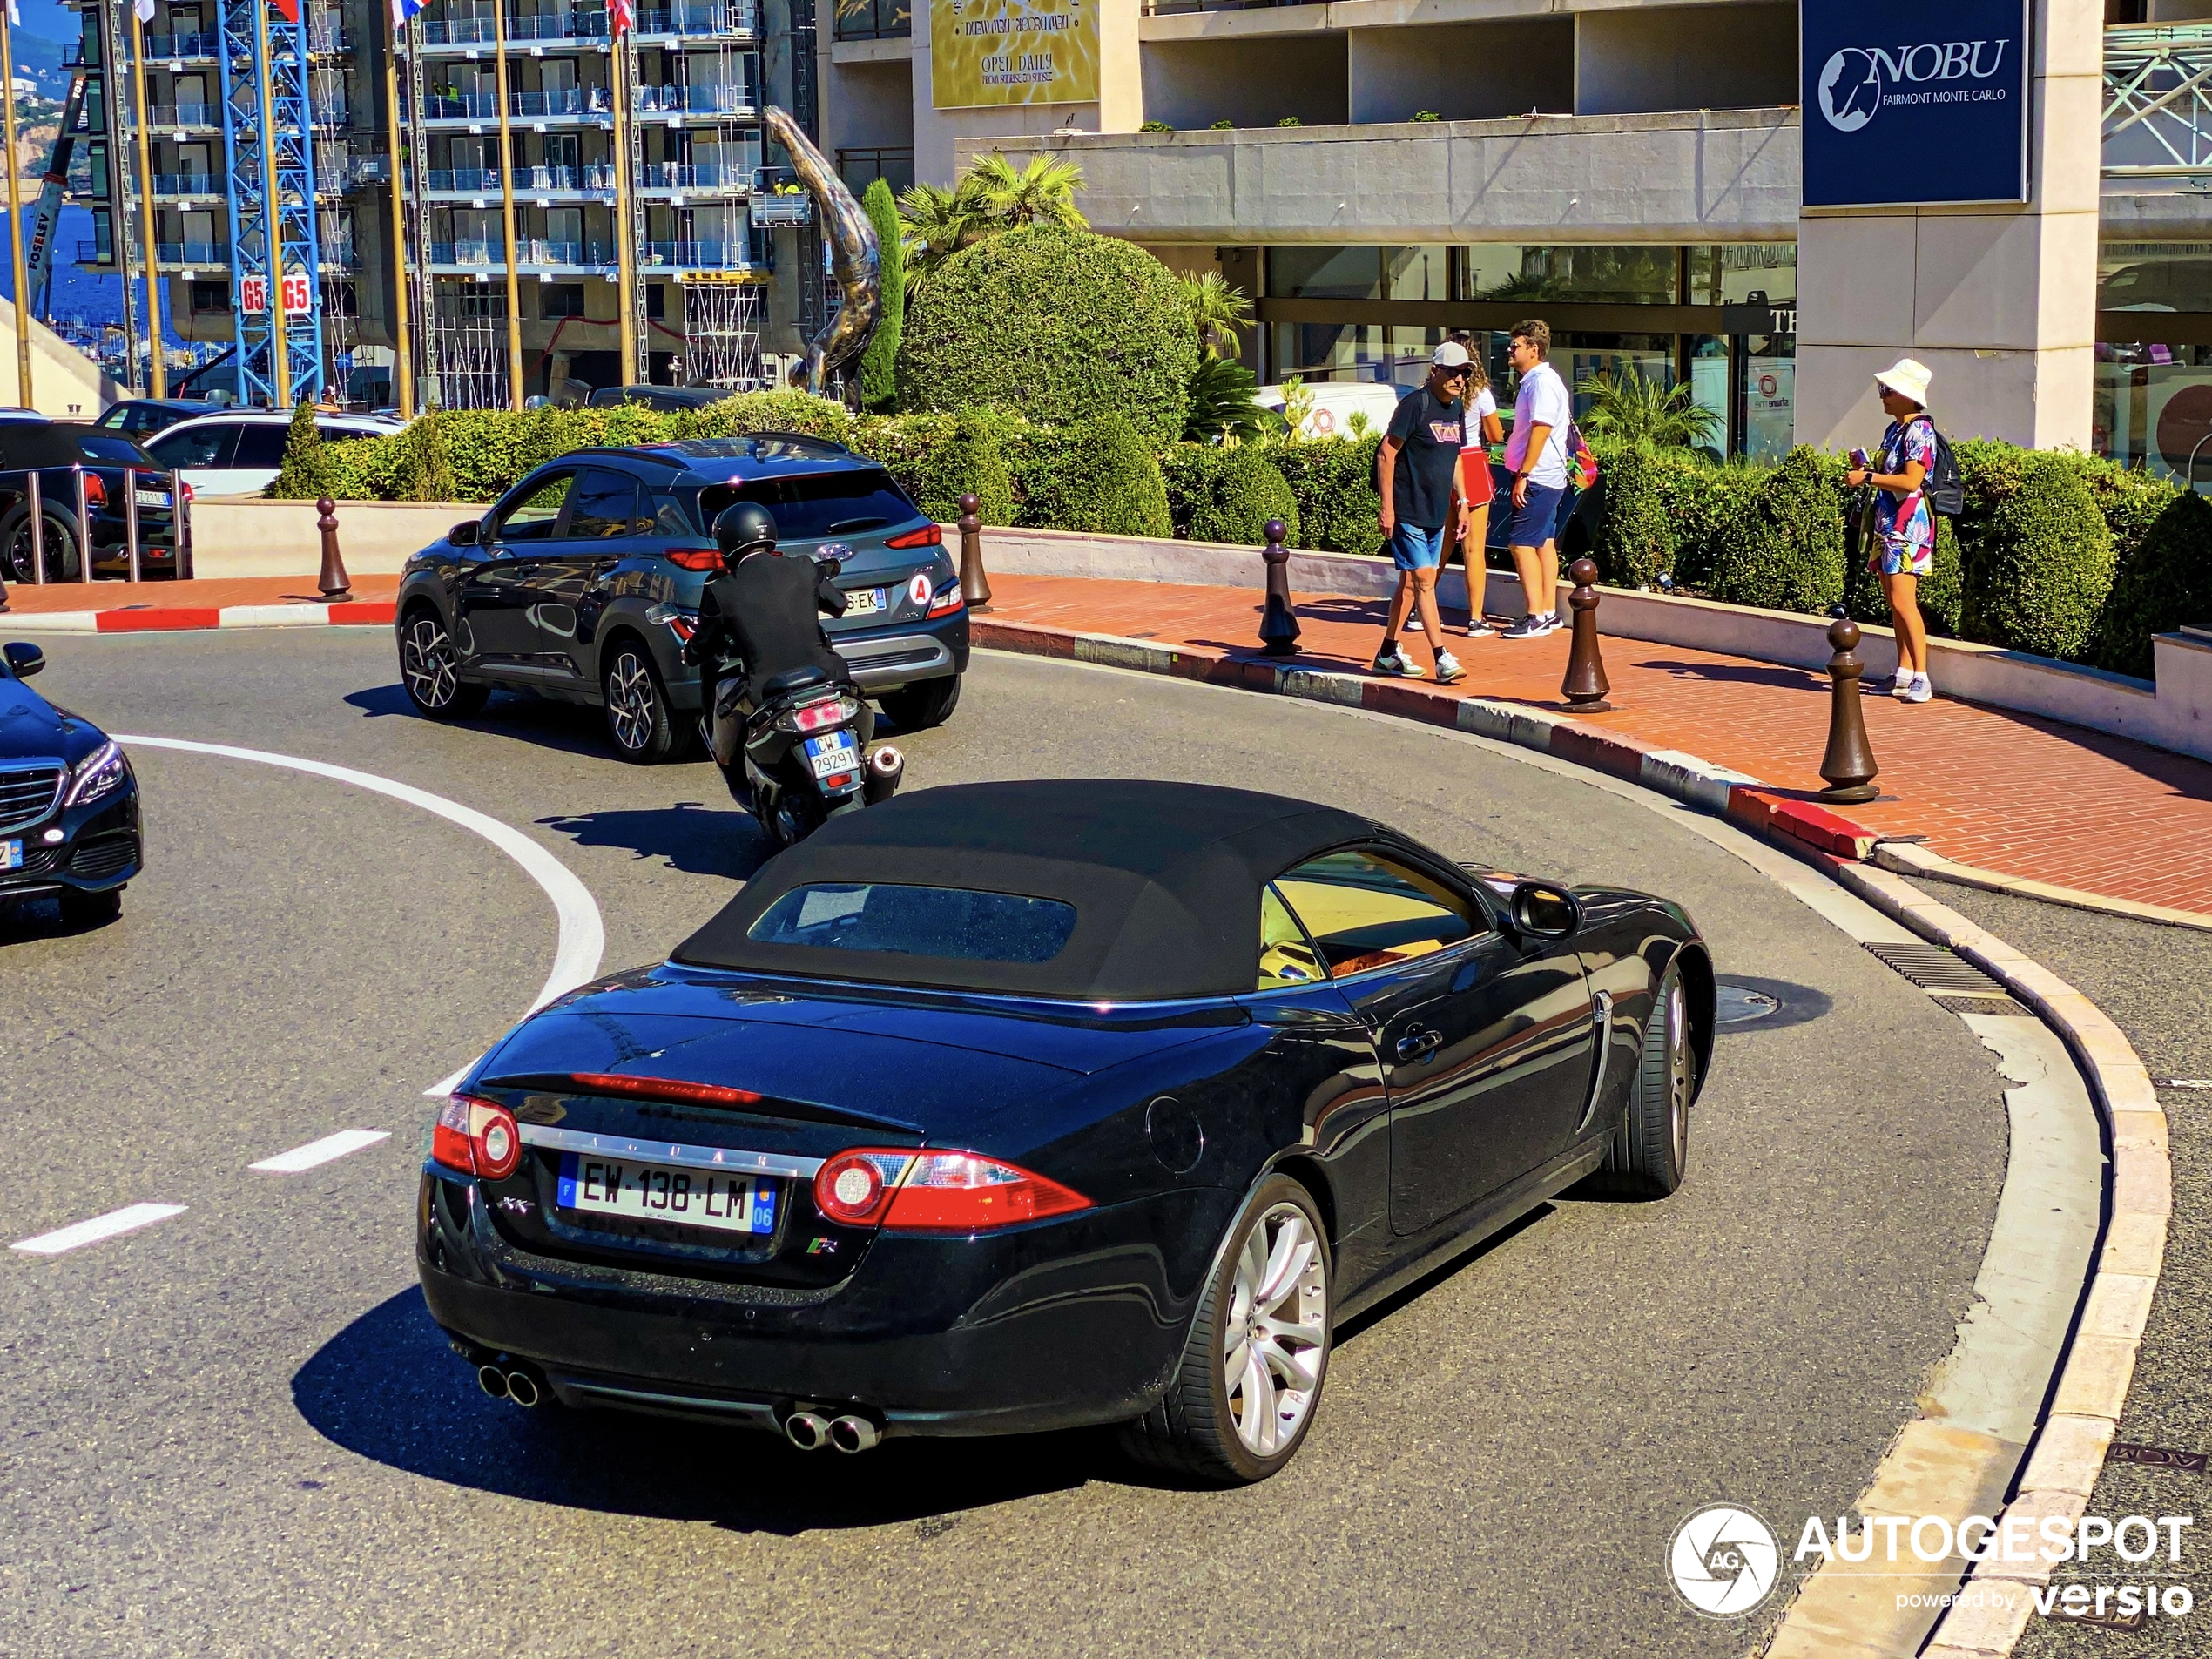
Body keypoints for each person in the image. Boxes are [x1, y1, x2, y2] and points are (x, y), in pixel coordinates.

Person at [686, 501, 871, 765]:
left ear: (727, 541)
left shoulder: (721, 589)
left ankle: (726, 759)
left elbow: (703, 645)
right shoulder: (805, 567)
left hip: (767, 690)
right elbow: (840, 605)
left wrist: (688, 652)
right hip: (827, 675)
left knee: (721, 690)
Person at [1372, 342, 1472, 684]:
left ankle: (1387, 653)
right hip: (1409, 510)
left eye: (1465, 373)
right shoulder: (1415, 405)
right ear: (1436, 371)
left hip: (1436, 513)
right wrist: (1388, 508)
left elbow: (1456, 457)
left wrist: (1463, 502)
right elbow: (1387, 454)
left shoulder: (1456, 408)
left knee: (1411, 586)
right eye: (1454, 372)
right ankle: (1442, 657)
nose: (1460, 379)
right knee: (1425, 581)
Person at [1845, 359, 1937, 704]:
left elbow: (1912, 480)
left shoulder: (1919, 431)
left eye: (1888, 390)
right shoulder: (1894, 430)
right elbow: (1892, 475)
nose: (1882, 396)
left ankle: (1922, 676)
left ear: (1907, 395)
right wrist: (1867, 468)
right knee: (1893, 601)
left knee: (1903, 600)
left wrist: (1867, 477)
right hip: (1887, 523)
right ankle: (1904, 671)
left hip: (1906, 526)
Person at [1499, 320, 1571, 640]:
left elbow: (1541, 429)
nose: (1510, 350)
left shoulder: (1540, 382)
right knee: (1544, 543)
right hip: (1548, 474)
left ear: (1534, 349)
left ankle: (1536, 615)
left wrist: (1524, 475)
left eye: (1516, 345)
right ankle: (1548, 612)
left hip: (1539, 476)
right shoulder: (1540, 380)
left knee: (1521, 543)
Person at [1448, 331, 1506, 639]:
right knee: (1474, 549)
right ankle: (1475, 618)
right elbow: (1496, 435)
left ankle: (1417, 609)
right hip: (1470, 460)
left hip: (1442, 460)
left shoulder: (1435, 390)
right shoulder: (1480, 392)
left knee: (1438, 545)